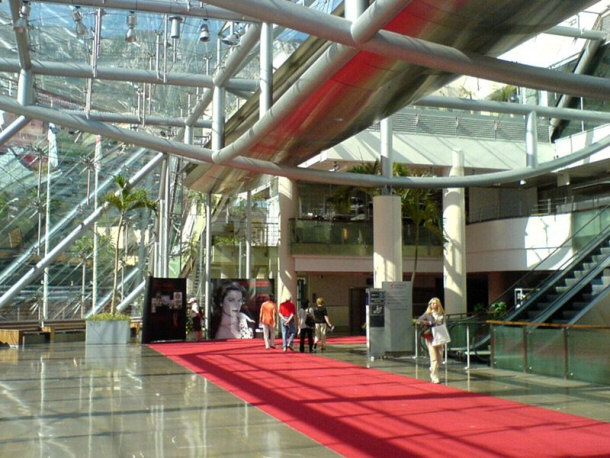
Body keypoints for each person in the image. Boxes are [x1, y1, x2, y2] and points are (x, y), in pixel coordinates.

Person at [417, 297, 446, 384]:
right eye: (431, 303)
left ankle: (432, 368)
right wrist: (427, 323)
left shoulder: (442, 314)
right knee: (434, 358)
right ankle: (434, 377)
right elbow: (418, 320)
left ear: (438, 304)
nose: (432, 305)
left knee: (440, 358)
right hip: (430, 337)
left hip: (440, 337)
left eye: (434, 303)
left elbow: (444, 324)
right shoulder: (427, 314)